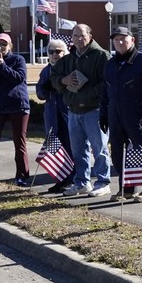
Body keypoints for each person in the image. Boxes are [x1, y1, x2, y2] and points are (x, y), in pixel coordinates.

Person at [101, 26, 142, 202]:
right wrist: (103, 114)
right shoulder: (111, 64)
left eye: (123, 39)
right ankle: (127, 189)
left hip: (138, 116)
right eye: (116, 40)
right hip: (115, 116)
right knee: (119, 155)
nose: (120, 42)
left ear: (132, 40)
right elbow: (105, 91)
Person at [49, 23, 112, 197]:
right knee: (78, 150)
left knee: (99, 149)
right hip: (74, 111)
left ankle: (103, 182)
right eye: (75, 35)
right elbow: (53, 77)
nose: (78, 39)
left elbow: (108, 83)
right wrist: (64, 81)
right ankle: (82, 182)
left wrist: (88, 92)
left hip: (94, 110)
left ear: (90, 36)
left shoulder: (101, 56)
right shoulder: (68, 59)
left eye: (82, 35)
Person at [0, 32, 33, 187]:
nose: (1, 47)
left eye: (4, 44)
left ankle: (22, 176)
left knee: (19, 142)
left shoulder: (18, 59)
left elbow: (18, 78)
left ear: (10, 46)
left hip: (18, 105)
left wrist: (2, 65)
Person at [35, 38, 73, 193]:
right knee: (54, 147)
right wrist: (44, 88)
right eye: (51, 51)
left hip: (68, 113)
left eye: (58, 51)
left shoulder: (69, 68)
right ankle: (60, 180)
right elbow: (40, 93)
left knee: (71, 146)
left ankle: (72, 179)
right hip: (51, 115)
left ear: (64, 53)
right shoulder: (46, 71)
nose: (54, 55)